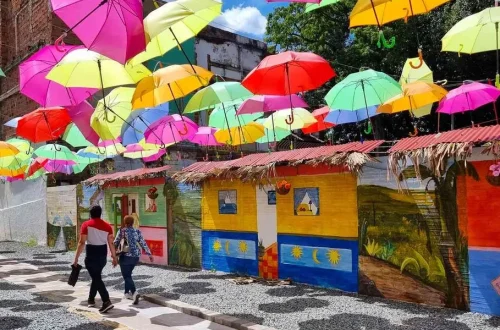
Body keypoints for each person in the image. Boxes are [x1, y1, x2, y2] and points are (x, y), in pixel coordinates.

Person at [73, 205, 117, 313]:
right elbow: (111, 243)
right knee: (96, 277)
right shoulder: (108, 226)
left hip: (91, 254)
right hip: (102, 255)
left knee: (96, 278)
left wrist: (76, 258)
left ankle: (106, 300)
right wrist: (114, 257)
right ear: (100, 213)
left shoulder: (86, 225)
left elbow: (82, 242)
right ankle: (91, 300)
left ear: (90, 214)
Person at [114, 215, 153, 305]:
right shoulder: (137, 231)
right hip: (135, 257)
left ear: (125, 222)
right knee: (128, 274)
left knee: (126, 276)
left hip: (125, 256)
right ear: (133, 223)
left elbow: (115, 243)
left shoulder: (121, 231)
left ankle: (135, 293)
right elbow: (143, 243)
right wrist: (149, 254)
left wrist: (113, 255)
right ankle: (126, 293)